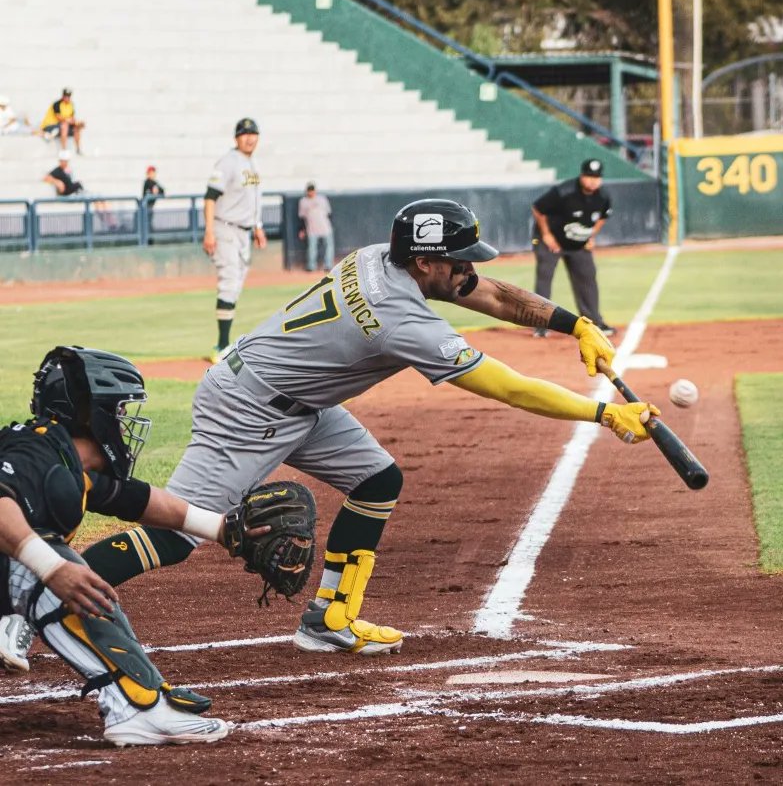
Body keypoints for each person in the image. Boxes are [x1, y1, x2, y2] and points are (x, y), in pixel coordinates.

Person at [70, 199, 658, 660]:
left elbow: (493, 294)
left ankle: (330, 617)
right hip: (249, 408)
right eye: (459, 260)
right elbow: (506, 386)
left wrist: (573, 323)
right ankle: (37, 598)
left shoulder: (382, 255)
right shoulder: (401, 320)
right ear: (425, 263)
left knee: (376, 479)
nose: (469, 270)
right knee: (179, 533)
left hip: (300, 403)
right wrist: (602, 412)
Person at [0, 346, 231, 746]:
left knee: (43, 558)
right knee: (55, 564)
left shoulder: (66, 464)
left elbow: (144, 502)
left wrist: (227, 531)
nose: (126, 424)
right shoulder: (37, 453)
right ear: (94, 414)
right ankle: (136, 706)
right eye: (121, 412)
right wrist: (52, 568)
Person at [202, 118, 267, 364]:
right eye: (245, 134)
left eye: (254, 134)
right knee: (229, 282)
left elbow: (253, 199)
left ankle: (224, 342)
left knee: (237, 285)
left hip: (244, 232)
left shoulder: (252, 163)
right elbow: (210, 197)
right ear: (236, 138)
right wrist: (209, 231)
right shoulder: (228, 162)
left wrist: (258, 226)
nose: (250, 138)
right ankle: (220, 345)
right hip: (225, 228)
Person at [531, 158, 616, 338]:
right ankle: (541, 324)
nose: (593, 180)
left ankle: (594, 322)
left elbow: (603, 216)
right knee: (545, 278)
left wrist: (591, 236)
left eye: (597, 177)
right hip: (551, 241)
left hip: (577, 244)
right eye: (589, 176)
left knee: (587, 278)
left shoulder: (603, 196)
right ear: (582, 175)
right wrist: (546, 235)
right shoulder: (564, 191)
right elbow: (538, 208)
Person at [297, 182, 334, 272]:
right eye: (309, 190)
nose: (311, 192)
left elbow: (329, 213)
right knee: (312, 248)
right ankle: (311, 266)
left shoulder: (322, 199)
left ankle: (328, 265)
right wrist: (302, 230)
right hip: (312, 228)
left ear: (315, 190)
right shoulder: (303, 201)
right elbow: (302, 217)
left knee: (328, 246)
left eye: (312, 190)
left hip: (325, 227)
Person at [40, 88, 85, 154]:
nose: (67, 98)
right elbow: (59, 118)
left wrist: (77, 123)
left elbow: (72, 118)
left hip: (60, 127)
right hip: (50, 126)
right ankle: (64, 149)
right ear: (63, 96)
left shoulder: (71, 105)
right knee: (64, 125)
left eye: (68, 96)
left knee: (76, 128)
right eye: (66, 96)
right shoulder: (57, 104)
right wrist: (69, 120)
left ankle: (78, 149)